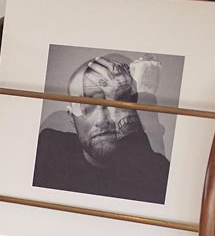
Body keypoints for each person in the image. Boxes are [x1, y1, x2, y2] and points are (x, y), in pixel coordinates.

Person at [32, 52, 170, 204]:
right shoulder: (48, 149)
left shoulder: (157, 172)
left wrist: (144, 97)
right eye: (88, 105)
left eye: (120, 101)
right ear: (71, 117)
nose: (102, 120)